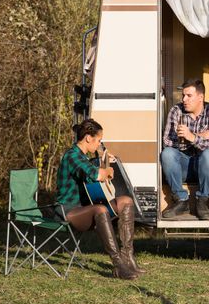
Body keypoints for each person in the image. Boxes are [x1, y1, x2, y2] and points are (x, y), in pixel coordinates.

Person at [55, 119, 145, 280]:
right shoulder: (72, 156)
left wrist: (103, 159)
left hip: (83, 209)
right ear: (88, 138)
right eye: (98, 140)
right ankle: (118, 265)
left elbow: (89, 167)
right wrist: (108, 170)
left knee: (125, 201)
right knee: (100, 209)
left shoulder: (81, 157)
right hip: (68, 210)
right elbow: (96, 174)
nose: (99, 144)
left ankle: (128, 256)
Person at [161, 79, 209, 219]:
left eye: (189, 96)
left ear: (201, 97)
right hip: (183, 167)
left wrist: (192, 137)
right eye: (183, 95)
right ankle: (181, 200)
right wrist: (202, 137)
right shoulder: (176, 110)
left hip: (206, 168)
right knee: (167, 154)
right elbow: (167, 142)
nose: (184, 99)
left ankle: (202, 201)